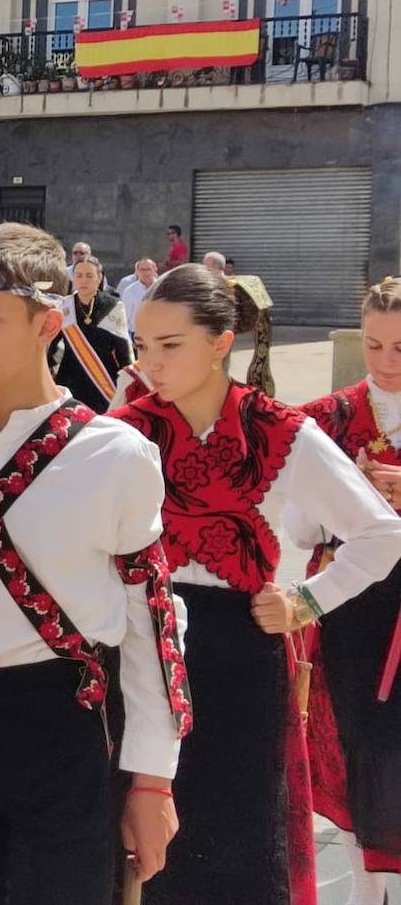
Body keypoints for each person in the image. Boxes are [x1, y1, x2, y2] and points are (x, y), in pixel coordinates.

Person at [0, 222, 191, 905]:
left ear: (47, 323)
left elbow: (152, 618)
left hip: (64, 734)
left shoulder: (117, 453)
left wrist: (151, 777)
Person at [112, 263, 401, 905]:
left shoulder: (277, 429)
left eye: (169, 345)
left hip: (238, 652)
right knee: (140, 848)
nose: (151, 363)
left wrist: (304, 601)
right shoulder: (124, 430)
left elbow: (381, 534)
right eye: (142, 346)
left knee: (236, 843)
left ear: (221, 342)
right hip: (140, 646)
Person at [287, 278, 401, 904]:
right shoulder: (326, 419)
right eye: (376, 345)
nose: (385, 363)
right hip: (351, 605)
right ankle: (365, 887)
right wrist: (348, 498)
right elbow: (300, 529)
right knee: (358, 740)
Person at [55, 256, 133, 414]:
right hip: (70, 381)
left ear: (99, 278)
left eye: (89, 275)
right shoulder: (64, 306)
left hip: (103, 383)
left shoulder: (112, 306)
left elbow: (123, 350)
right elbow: (52, 350)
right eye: (79, 275)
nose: (84, 280)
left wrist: (128, 383)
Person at [121, 257, 159, 331]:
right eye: (142, 270)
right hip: (136, 335)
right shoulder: (130, 291)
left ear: (155, 270)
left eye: (148, 269)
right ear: (137, 272)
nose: (145, 273)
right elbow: (124, 318)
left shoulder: (163, 288)